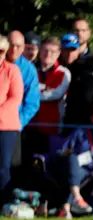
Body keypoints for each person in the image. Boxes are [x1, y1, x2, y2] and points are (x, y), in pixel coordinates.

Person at [52, 103, 93, 219]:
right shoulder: (81, 132)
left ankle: (66, 207)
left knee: (75, 175)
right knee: (73, 159)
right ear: (92, 118)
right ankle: (77, 198)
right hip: (75, 168)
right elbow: (62, 149)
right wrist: (66, 152)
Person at [7, 31, 40, 169]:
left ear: (23, 48)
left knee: (11, 167)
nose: (14, 49)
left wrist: (18, 123)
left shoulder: (28, 69)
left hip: (12, 126)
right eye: (11, 45)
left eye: (18, 46)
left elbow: (32, 103)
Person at [0, 34, 24, 201]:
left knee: (3, 168)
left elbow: (15, 98)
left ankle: (3, 201)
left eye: (1, 50)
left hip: (5, 127)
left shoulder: (12, 70)